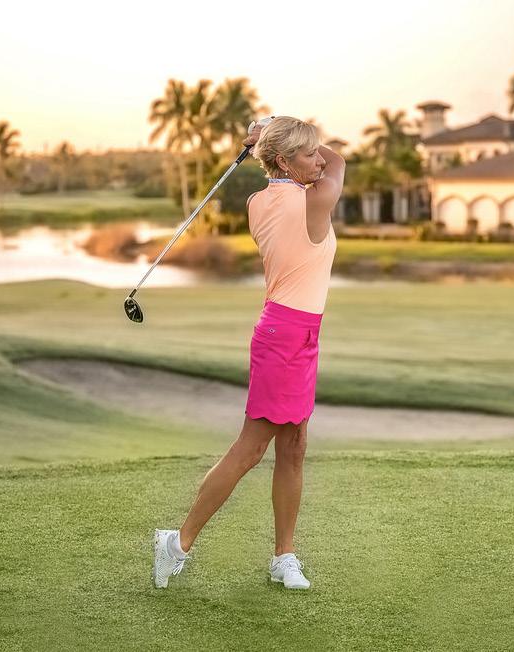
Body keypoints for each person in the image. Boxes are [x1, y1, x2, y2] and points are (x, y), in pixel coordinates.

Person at [153, 116, 344, 590]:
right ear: (284, 161)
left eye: (316, 151)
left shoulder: (259, 201)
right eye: (308, 154)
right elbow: (339, 163)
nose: (319, 160)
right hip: (285, 336)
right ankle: (177, 543)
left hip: (294, 332)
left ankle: (284, 556)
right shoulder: (313, 202)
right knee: (250, 448)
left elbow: (319, 162)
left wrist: (272, 136)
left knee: (294, 447)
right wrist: (273, 128)